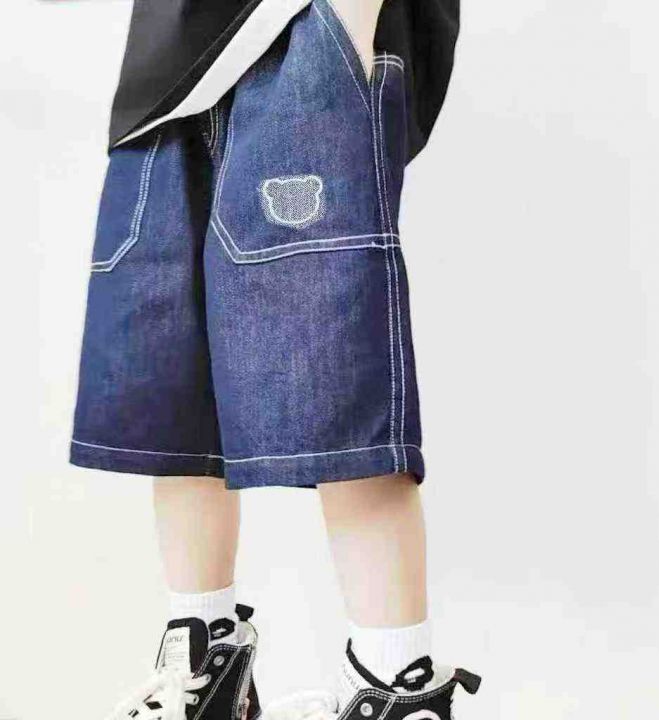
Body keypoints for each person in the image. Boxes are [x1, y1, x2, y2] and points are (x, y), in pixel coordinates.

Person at [70, 0, 480, 717]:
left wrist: (349, 24)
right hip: (164, 77)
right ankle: (203, 668)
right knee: (173, 390)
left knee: (338, 384)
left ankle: (394, 680)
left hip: (302, 32)